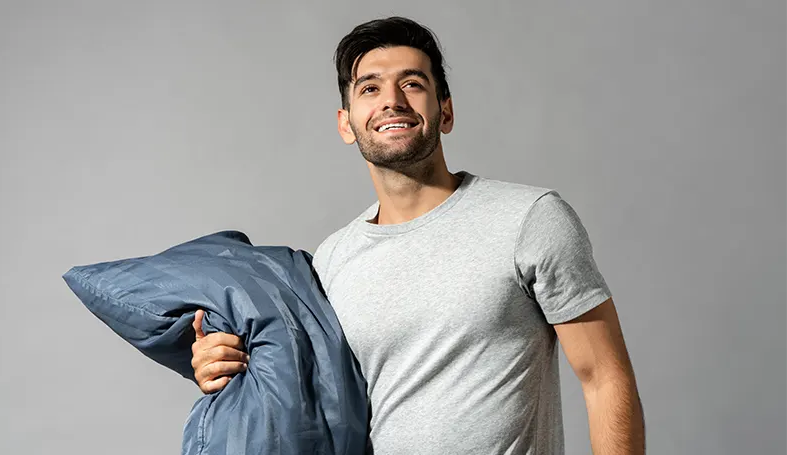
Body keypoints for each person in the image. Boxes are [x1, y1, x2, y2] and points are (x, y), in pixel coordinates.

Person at [190, 16, 645, 455]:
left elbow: (605, 378)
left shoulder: (529, 218)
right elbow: (303, 393)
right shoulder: (330, 261)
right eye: (370, 88)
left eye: (412, 83)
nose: (392, 100)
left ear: (445, 111)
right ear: (346, 123)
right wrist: (225, 362)